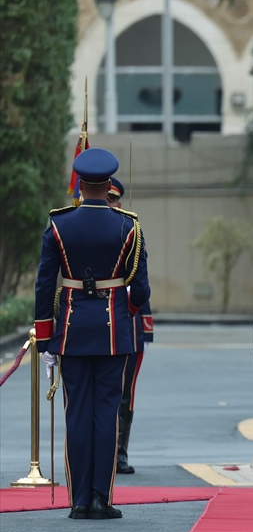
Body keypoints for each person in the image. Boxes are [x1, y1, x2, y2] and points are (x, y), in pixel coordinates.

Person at [34, 147, 150, 520]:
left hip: (70, 331)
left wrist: (45, 335)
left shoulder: (58, 224)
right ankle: (101, 498)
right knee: (106, 414)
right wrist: (127, 311)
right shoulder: (129, 226)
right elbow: (141, 291)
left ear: (80, 185)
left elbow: (44, 285)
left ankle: (80, 500)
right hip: (114, 331)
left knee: (77, 414)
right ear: (107, 184)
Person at [107, 177, 153, 475]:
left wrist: (143, 324)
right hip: (95, 322)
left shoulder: (131, 232)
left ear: (119, 203)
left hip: (127, 321)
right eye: (105, 198)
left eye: (113, 200)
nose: (109, 204)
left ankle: (119, 452)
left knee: (125, 393)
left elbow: (140, 283)